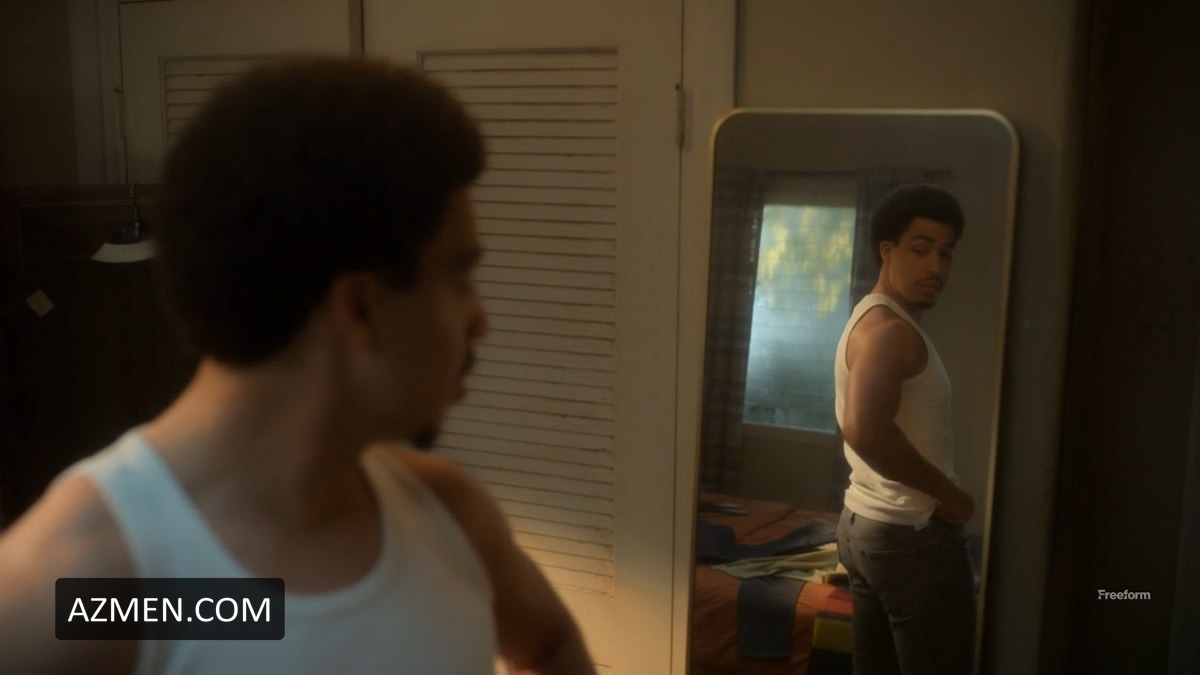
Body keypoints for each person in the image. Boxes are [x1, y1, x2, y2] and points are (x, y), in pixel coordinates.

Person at [0, 56, 595, 675]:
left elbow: (551, 643)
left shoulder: (449, 516)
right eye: (461, 279)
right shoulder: (90, 584)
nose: (481, 321)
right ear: (360, 308)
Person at [833, 183, 977, 674]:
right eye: (920, 249)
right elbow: (865, 429)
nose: (936, 267)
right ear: (887, 251)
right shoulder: (889, 331)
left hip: (869, 526)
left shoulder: (873, 319)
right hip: (911, 536)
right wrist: (949, 495)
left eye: (946, 253)